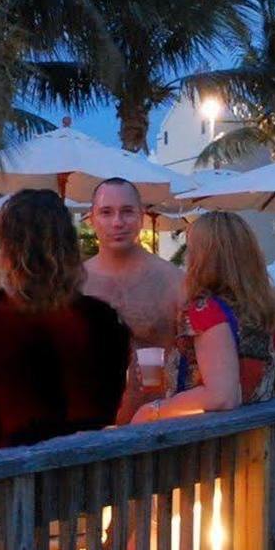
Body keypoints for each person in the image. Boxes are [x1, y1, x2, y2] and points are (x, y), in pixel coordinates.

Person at [0, 189, 131, 452]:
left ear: (5, 253)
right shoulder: (107, 321)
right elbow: (121, 414)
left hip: (9, 486)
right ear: (71, 249)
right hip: (89, 487)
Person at [133, 212, 275, 421]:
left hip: (209, 441)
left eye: (191, 249)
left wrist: (153, 410)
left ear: (203, 257)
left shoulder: (205, 310)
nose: (187, 257)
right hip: (257, 434)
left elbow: (221, 396)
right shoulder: (263, 311)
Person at [82, 177, 184, 414]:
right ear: (92, 218)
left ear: (142, 216)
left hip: (156, 427)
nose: (117, 222)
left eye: (127, 212)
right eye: (106, 212)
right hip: (88, 431)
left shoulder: (173, 281)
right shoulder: (74, 284)